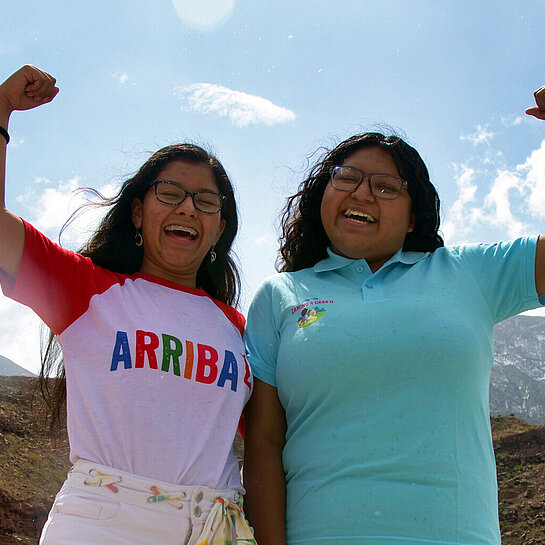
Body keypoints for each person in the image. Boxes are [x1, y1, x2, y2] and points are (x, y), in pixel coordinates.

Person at [243, 87, 545, 545]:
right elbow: (264, 443)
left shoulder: (470, 272)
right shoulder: (279, 295)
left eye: (386, 187)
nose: (362, 193)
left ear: (412, 217)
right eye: (346, 178)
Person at [0, 65, 256, 545]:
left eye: (206, 201)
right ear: (138, 211)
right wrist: (0, 109)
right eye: (171, 194)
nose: (187, 209)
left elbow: (273, 445)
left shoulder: (241, 331)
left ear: (220, 228)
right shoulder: (84, 288)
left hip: (216, 527)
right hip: (101, 525)